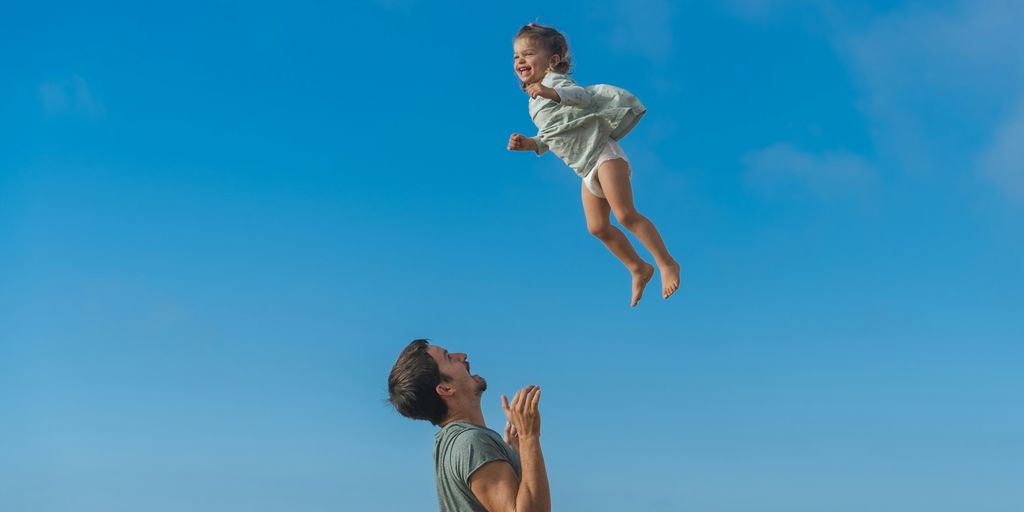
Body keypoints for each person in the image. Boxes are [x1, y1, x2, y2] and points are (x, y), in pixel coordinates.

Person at [508, 23, 681, 307]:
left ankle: (666, 263)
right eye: (516, 57)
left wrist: (552, 92)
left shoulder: (554, 82)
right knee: (598, 227)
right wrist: (530, 143)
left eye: (528, 54)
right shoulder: (535, 100)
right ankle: (639, 267)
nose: (520, 61)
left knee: (625, 215)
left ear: (552, 61)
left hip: (604, 155)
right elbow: (556, 132)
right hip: (586, 169)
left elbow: (583, 98)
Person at [388, 339, 550, 512]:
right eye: (449, 358)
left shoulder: (454, 444)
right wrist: (529, 437)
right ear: (445, 389)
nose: (462, 356)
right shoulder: (471, 443)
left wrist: (514, 453)